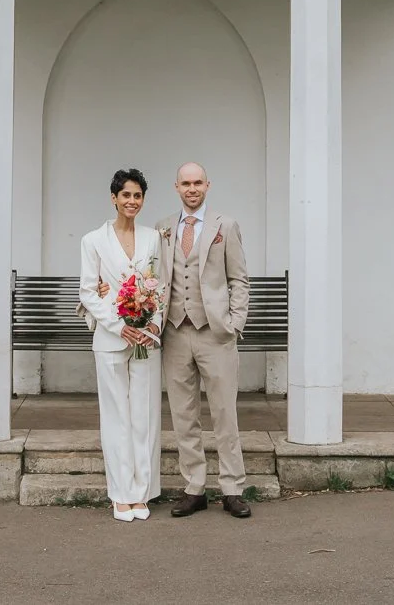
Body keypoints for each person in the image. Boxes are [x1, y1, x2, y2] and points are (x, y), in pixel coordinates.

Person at [157, 162, 251, 518]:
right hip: (175, 332)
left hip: (215, 332)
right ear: (176, 187)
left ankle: (232, 488)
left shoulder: (225, 226)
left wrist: (234, 324)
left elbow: (239, 280)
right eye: (186, 183)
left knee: (225, 413)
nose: (192, 189)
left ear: (207, 186)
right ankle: (194, 487)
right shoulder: (164, 227)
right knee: (184, 415)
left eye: (198, 183)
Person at [78, 168, 166, 522]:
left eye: (138, 195)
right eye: (126, 195)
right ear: (113, 198)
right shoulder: (93, 240)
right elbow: (88, 290)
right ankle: (120, 494)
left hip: (146, 337)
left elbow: (161, 286)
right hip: (112, 339)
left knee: (144, 415)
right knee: (116, 417)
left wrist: (152, 324)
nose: (132, 201)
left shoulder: (153, 238)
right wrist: (119, 326)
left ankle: (143, 491)